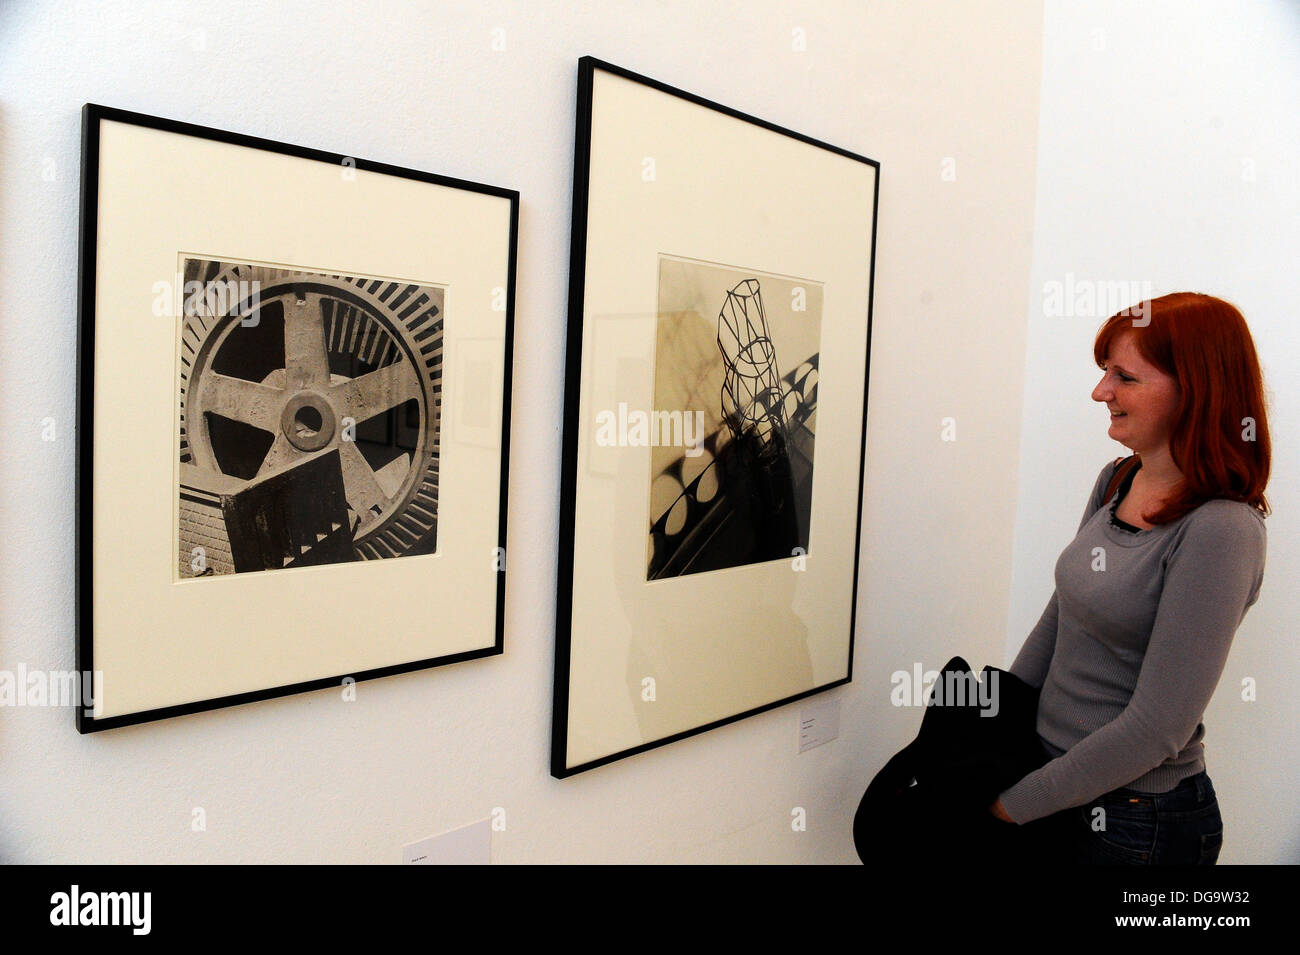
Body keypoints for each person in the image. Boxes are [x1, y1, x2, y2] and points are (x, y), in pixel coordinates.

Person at [987, 292, 1270, 864]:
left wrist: (1009, 808)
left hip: (1137, 822)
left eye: (1125, 377)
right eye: (1103, 373)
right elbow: (1060, 618)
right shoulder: (1118, 479)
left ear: (1194, 389)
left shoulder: (1221, 530)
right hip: (1055, 785)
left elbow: (1157, 728)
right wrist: (992, 737)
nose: (1101, 392)